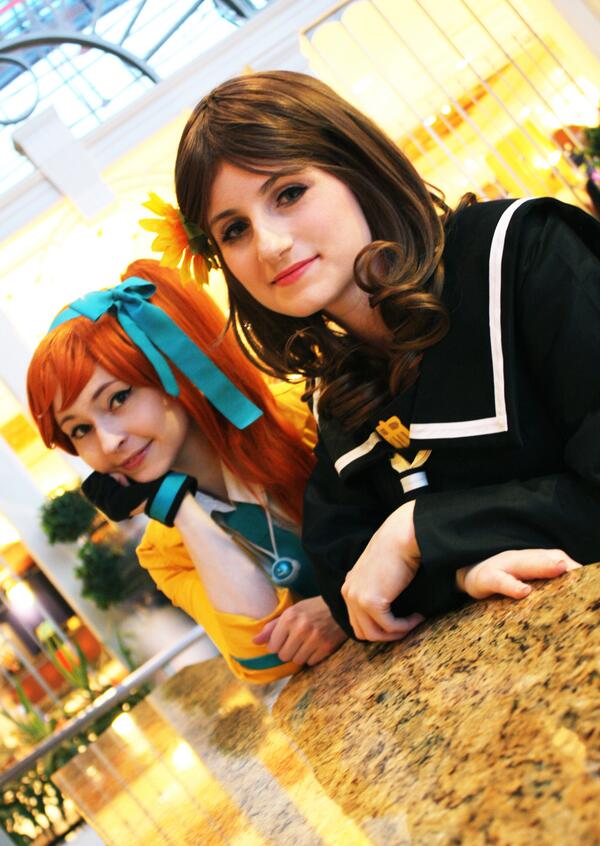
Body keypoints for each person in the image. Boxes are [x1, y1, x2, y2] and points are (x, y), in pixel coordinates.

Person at [172, 70, 599, 642]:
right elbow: (346, 577)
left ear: (354, 166)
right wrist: (461, 573)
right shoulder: (340, 387)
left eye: (289, 193)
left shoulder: (522, 253)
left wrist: (419, 532)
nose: (269, 245)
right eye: (234, 230)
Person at [27, 259, 346, 681]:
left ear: (171, 373)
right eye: (80, 430)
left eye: (118, 398)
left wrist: (338, 609)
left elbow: (418, 520)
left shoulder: (307, 417)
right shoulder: (163, 551)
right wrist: (178, 508)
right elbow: (267, 658)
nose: (107, 442)